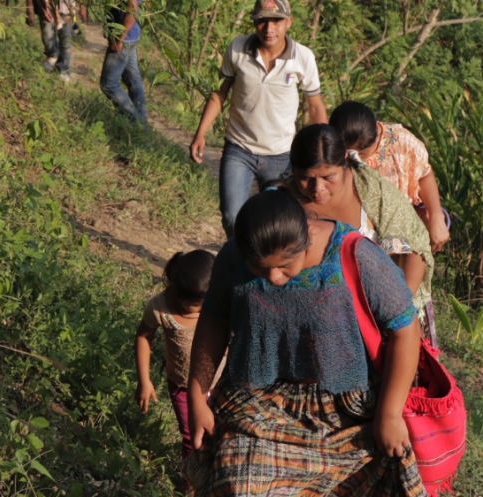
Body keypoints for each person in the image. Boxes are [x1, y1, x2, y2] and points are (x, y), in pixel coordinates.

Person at [187, 190, 456, 497]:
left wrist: (388, 414)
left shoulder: (356, 255)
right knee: (235, 471)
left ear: (308, 235)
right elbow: (214, 321)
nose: (273, 278)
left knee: (377, 471)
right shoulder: (236, 256)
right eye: (261, 268)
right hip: (262, 401)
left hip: (347, 405)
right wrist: (198, 395)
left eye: (285, 267)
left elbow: (405, 331)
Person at [189, 0, 327, 238]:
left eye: (276, 21)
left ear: (289, 23)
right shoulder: (237, 49)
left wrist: (322, 153)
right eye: (262, 20)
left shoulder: (302, 57)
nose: (269, 28)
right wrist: (200, 133)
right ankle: (242, 263)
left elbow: (314, 106)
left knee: (276, 222)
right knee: (232, 216)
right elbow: (220, 92)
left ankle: (263, 266)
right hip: (239, 149)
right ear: (254, 22)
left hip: (281, 156)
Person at [284, 124, 435, 325]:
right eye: (306, 178)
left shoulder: (374, 192)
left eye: (328, 177)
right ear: (293, 170)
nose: (317, 188)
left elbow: (415, 249)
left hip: (376, 317)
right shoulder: (282, 201)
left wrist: (398, 315)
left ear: (345, 162)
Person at [329, 101, 450, 254]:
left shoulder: (402, 141)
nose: (354, 158)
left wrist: (436, 216)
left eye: (362, 154)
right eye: (348, 153)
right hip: (356, 227)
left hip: (398, 225)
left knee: (423, 220)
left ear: (375, 137)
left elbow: (424, 174)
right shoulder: (329, 148)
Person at [135, 250, 215, 459]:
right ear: (177, 293)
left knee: (219, 434)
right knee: (192, 438)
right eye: (196, 305)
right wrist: (144, 381)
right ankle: (190, 486)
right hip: (183, 386)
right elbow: (143, 337)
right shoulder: (160, 308)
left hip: (220, 383)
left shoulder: (220, 302)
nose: (202, 309)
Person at [100, 0, 148, 123]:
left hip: (124, 37)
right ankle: (143, 123)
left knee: (108, 84)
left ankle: (137, 121)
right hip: (131, 35)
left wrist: (120, 38)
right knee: (133, 80)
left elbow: (132, 9)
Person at [26, 0, 75, 82]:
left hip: (67, 9)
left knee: (65, 39)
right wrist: (32, 10)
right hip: (46, 7)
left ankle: (64, 68)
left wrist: (82, 6)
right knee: (47, 36)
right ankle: (53, 55)